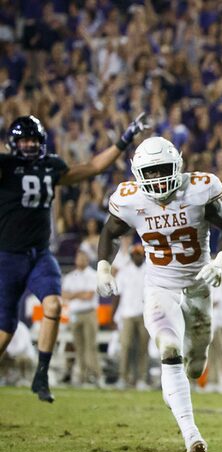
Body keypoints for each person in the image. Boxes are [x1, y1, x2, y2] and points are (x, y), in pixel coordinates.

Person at [96, 136, 222, 452]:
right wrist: (104, 267)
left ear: (177, 166)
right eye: (152, 171)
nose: (159, 177)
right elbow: (110, 232)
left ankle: (177, 387)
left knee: (196, 359)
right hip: (160, 287)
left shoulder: (198, 190)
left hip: (199, 284)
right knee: (169, 349)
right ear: (138, 173)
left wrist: (220, 261)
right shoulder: (131, 199)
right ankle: (191, 434)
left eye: (164, 169)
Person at [0, 113, 148, 402]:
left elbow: (92, 167)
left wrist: (125, 139)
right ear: (14, 143)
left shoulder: (49, 165)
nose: (30, 145)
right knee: (5, 330)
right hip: (8, 257)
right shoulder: (5, 166)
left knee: (54, 306)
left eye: (34, 139)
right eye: (25, 139)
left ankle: (41, 375)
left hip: (41, 254)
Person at [112, 244, 150, 388]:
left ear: (143, 255)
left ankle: (141, 378)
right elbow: (117, 295)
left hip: (145, 314)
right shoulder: (124, 272)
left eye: (139, 254)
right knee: (125, 346)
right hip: (127, 313)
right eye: (135, 254)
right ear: (131, 256)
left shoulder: (150, 271)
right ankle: (123, 377)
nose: (137, 256)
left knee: (142, 348)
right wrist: (113, 314)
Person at [62, 250, 101, 386]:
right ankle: (83, 376)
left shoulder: (93, 274)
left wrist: (73, 294)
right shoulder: (70, 276)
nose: (81, 261)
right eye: (79, 258)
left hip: (89, 313)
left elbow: (89, 295)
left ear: (87, 260)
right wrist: (79, 293)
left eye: (83, 258)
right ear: (75, 260)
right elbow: (64, 295)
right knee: (78, 347)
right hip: (75, 314)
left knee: (91, 346)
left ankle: (95, 375)